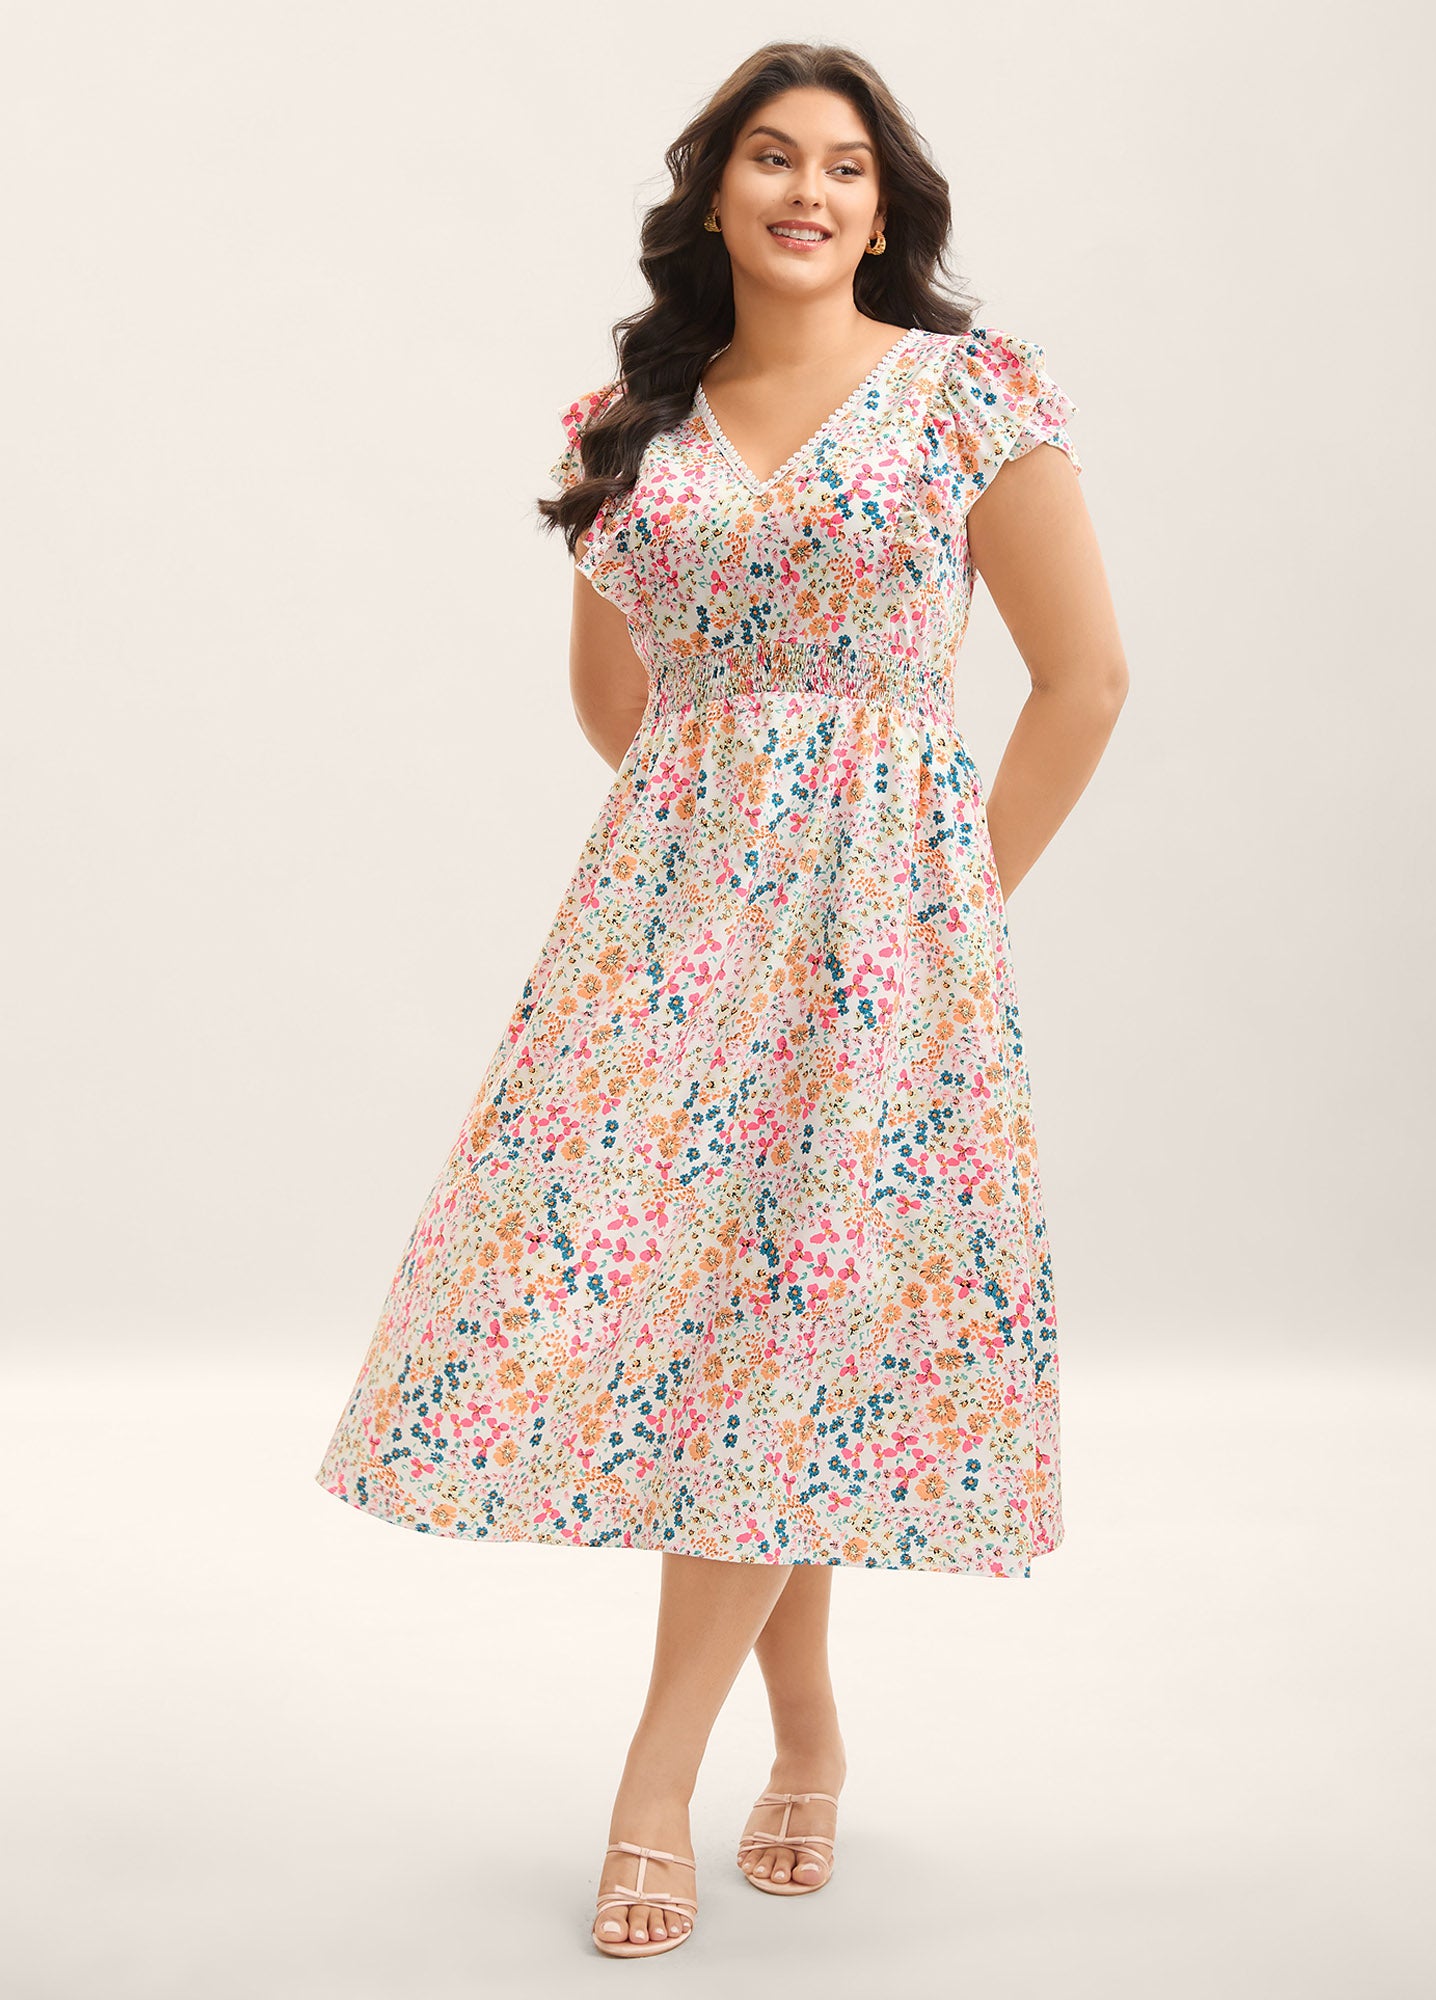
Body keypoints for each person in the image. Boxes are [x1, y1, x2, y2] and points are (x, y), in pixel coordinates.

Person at [315, 40, 1127, 1963]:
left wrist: (937, 907)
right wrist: (726, 846)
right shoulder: (631, 422)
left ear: (885, 208)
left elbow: (1083, 679)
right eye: (773, 156)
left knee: (794, 1325)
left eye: (844, 165)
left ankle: (653, 1776)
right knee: (728, 1339)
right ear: (714, 195)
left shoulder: (967, 397)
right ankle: (813, 1727)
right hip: (666, 943)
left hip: (888, 943)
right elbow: (616, 702)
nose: (808, 191)